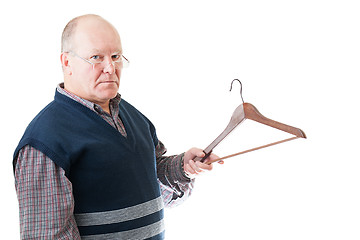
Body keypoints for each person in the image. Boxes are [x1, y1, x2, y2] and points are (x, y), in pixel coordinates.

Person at [13, 14, 221, 239]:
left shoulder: (134, 118)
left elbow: (154, 182)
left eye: (115, 56)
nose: (110, 68)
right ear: (66, 62)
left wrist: (183, 167)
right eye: (96, 57)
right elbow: (47, 236)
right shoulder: (44, 140)